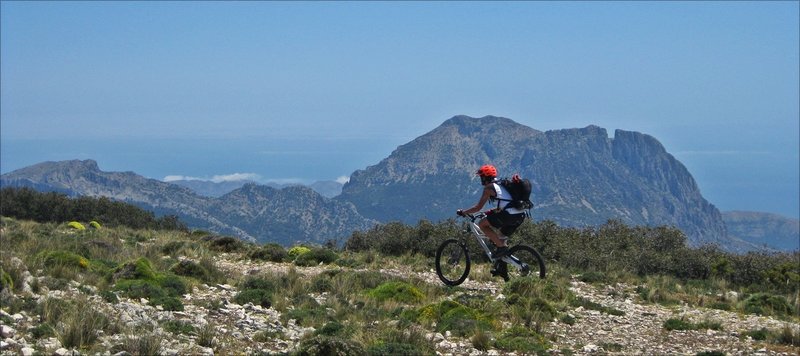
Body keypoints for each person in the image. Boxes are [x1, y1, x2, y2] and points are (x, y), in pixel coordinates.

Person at [457, 164, 527, 277]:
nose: (480, 179)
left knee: (482, 224)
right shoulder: (502, 184)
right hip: (520, 215)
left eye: (481, 177)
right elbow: (505, 203)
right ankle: (502, 268)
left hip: (509, 215)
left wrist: (464, 212)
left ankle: (502, 248)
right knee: (500, 238)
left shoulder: (489, 188)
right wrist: (488, 212)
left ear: (485, 177)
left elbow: (478, 207)